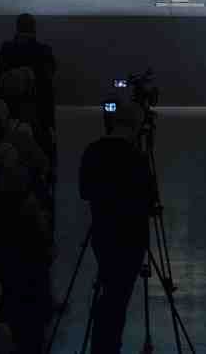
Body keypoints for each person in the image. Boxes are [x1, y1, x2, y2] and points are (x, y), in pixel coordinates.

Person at [79, 101, 154, 354]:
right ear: (136, 127)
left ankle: (104, 345)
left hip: (102, 233)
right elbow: (149, 200)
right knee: (117, 297)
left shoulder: (92, 151)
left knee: (110, 289)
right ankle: (106, 346)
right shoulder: (137, 159)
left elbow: (84, 191)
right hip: (131, 238)